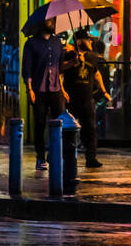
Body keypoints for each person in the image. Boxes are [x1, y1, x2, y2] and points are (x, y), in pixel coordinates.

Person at [22, 20, 65, 171]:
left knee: (59, 123)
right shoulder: (32, 43)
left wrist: (63, 88)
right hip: (38, 89)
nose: (52, 23)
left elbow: (60, 67)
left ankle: (54, 154)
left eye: (53, 21)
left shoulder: (57, 42)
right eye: (48, 21)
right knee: (40, 124)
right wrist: (29, 89)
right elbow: (27, 67)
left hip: (56, 88)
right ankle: (40, 156)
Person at [62, 32, 107, 168]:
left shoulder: (92, 57)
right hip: (72, 98)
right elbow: (59, 70)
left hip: (87, 98)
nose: (91, 43)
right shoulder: (69, 55)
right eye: (88, 40)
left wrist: (104, 91)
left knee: (90, 129)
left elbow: (96, 74)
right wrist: (72, 62)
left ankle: (91, 158)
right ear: (80, 41)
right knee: (68, 130)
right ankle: (65, 156)